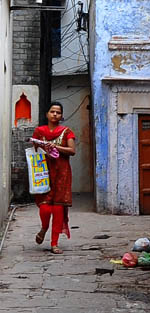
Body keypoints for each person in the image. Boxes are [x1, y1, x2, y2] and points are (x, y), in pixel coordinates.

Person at [31, 102, 76, 253]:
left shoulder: (67, 131)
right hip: (43, 172)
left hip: (62, 173)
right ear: (47, 114)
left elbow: (72, 150)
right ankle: (44, 228)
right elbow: (34, 150)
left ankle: (54, 243)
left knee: (58, 208)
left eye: (58, 112)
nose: (55, 114)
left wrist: (55, 147)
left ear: (61, 116)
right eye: (52, 111)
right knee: (44, 206)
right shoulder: (39, 131)